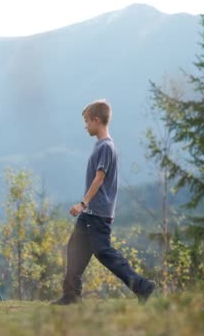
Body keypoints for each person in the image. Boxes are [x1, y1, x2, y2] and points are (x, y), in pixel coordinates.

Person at [52, 100, 155, 305]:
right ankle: (71, 294)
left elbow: (99, 178)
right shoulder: (101, 146)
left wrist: (83, 203)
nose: (85, 126)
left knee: (103, 252)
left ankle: (142, 286)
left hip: (96, 212)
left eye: (87, 121)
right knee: (74, 249)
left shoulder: (106, 147)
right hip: (90, 214)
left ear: (96, 120)